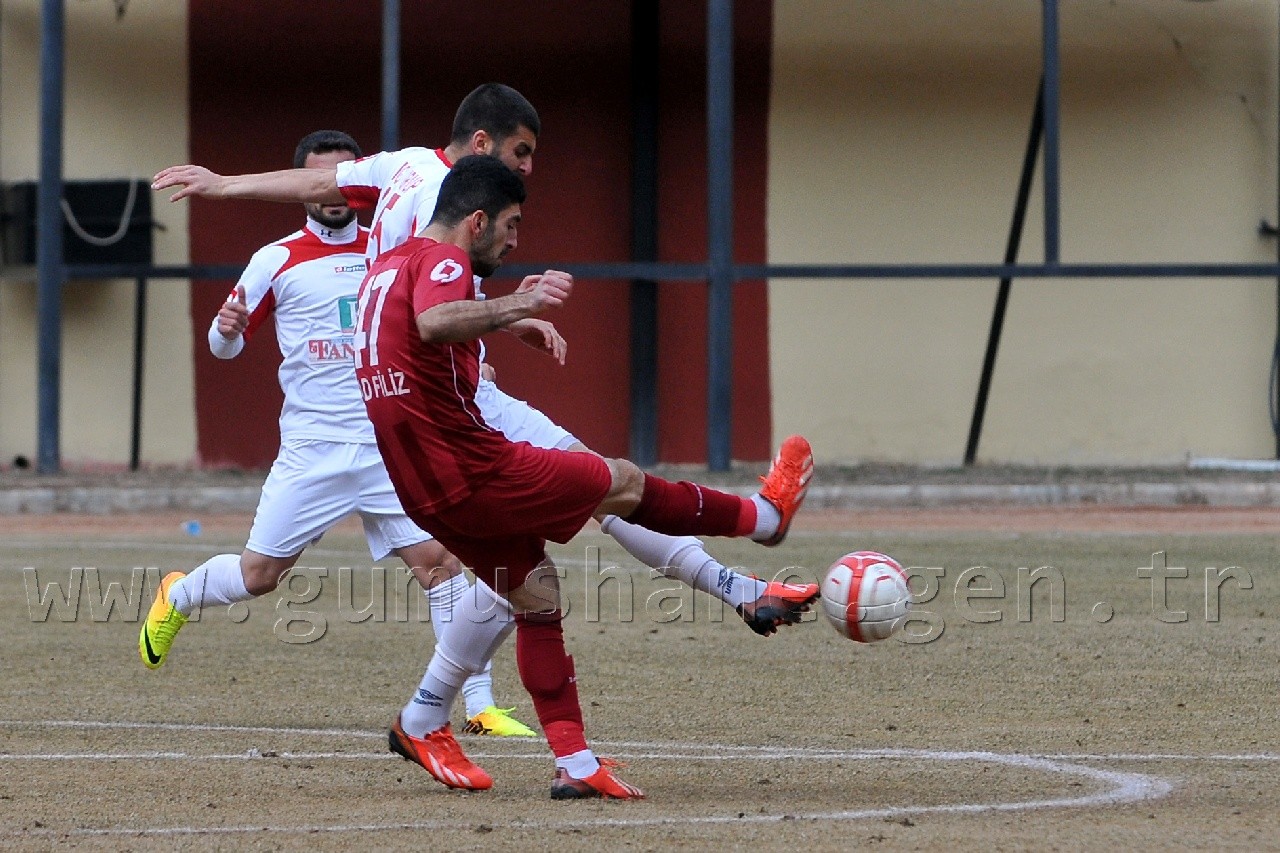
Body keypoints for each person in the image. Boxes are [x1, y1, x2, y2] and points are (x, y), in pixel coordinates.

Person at [152, 84, 819, 795]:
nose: (526, 172)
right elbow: (431, 304)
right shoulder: (439, 228)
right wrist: (510, 308)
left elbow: (330, 187)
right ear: (481, 150)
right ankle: (753, 549)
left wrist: (225, 185)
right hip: (442, 412)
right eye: (520, 154)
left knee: (512, 580)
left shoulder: (403, 175)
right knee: (608, 486)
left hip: (397, 414)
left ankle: (470, 725)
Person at [351, 155, 814, 799]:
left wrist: (508, 317)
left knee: (535, 593)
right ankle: (764, 521)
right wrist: (523, 301)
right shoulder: (444, 262)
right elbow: (432, 322)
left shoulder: (383, 267)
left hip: (421, 487)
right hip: (474, 467)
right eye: (511, 225)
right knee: (618, 483)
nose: (515, 241)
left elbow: (416, 331)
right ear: (477, 219)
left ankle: (558, 761)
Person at [138, 130, 536, 738]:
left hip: (384, 442)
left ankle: (479, 704)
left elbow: (431, 314)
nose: (333, 194)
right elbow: (226, 347)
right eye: (320, 181)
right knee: (258, 577)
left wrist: (476, 354)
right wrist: (225, 329)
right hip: (313, 447)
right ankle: (181, 594)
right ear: (303, 187)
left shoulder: (387, 249)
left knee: (442, 567)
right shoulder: (276, 258)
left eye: (341, 180)